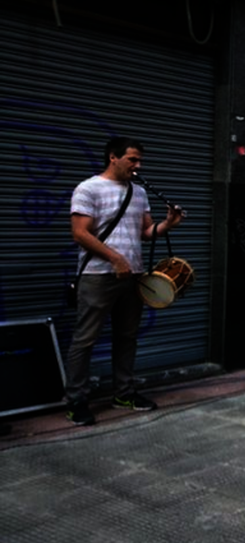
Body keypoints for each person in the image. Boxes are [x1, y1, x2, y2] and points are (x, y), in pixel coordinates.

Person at [64, 136, 184, 426]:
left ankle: (124, 393)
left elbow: (145, 232)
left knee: (127, 337)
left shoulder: (139, 192)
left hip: (133, 276)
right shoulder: (88, 188)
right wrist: (116, 258)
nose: (138, 165)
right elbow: (80, 233)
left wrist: (167, 224)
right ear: (112, 157)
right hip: (97, 276)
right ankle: (76, 401)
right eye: (132, 159)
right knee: (86, 338)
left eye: (140, 160)